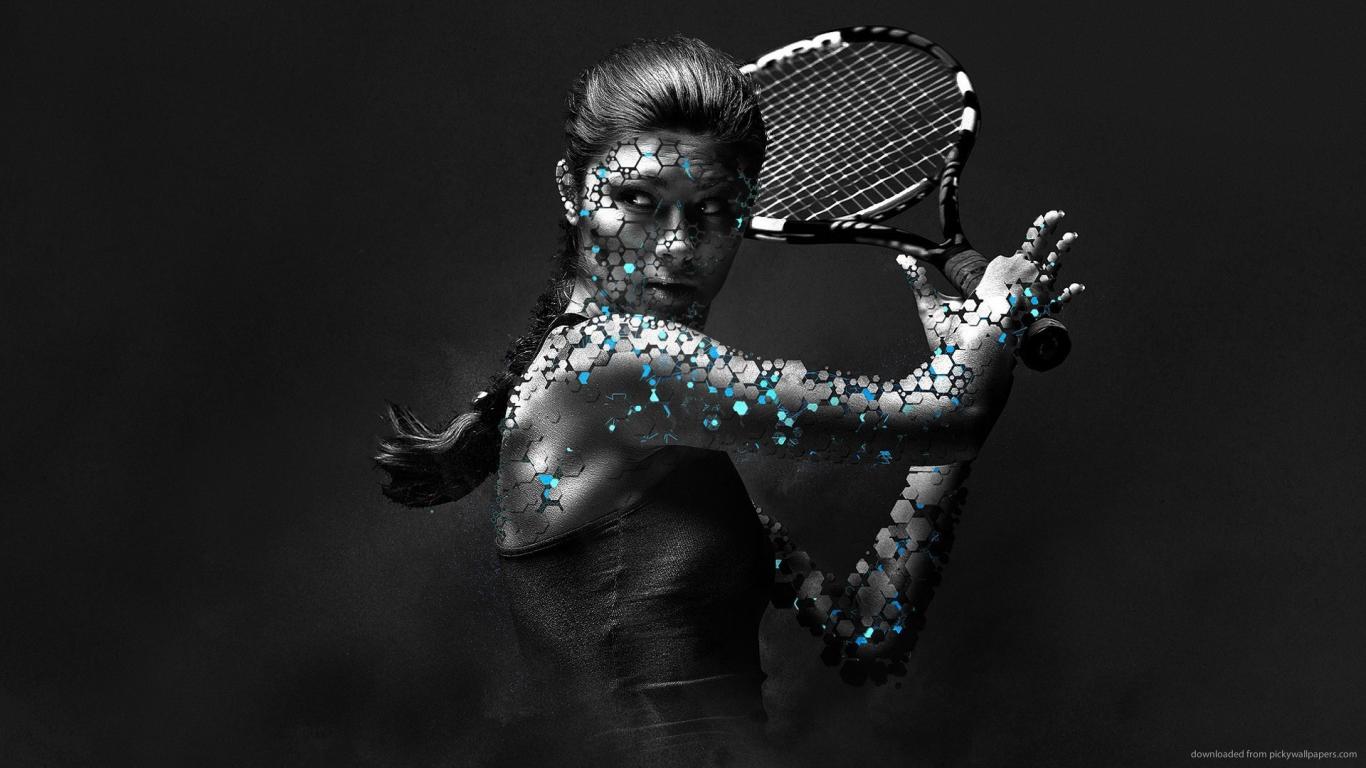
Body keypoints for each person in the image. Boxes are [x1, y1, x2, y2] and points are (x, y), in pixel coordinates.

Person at [375, 35, 1083, 767]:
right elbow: (949, 416)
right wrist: (994, 316)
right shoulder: (612, 363)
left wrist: (961, 370)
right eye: (637, 201)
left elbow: (868, 632)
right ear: (572, 189)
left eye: (713, 211)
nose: (677, 247)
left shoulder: (651, 431)